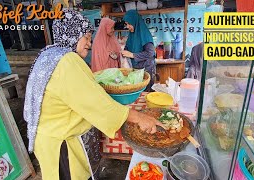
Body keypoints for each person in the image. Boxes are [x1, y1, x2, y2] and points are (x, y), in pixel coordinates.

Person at [24, 9, 164, 180]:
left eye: (90, 38)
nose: (89, 43)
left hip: (49, 138)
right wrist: (140, 118)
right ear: (72, 33)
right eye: (87, 37)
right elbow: (96, 103)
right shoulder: (67, 61)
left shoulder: (49, 54)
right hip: (62, 145)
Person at [121, 10, 156, 92]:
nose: (127, 26)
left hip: (146, 69)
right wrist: (123, 51)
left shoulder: (144, 34)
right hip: (137, 69)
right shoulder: (132, 34)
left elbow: (150, 53)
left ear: (135, 22)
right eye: (126, 24)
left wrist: (132, 55)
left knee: (146, 93)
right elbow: (128, 47)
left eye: (129, 24)